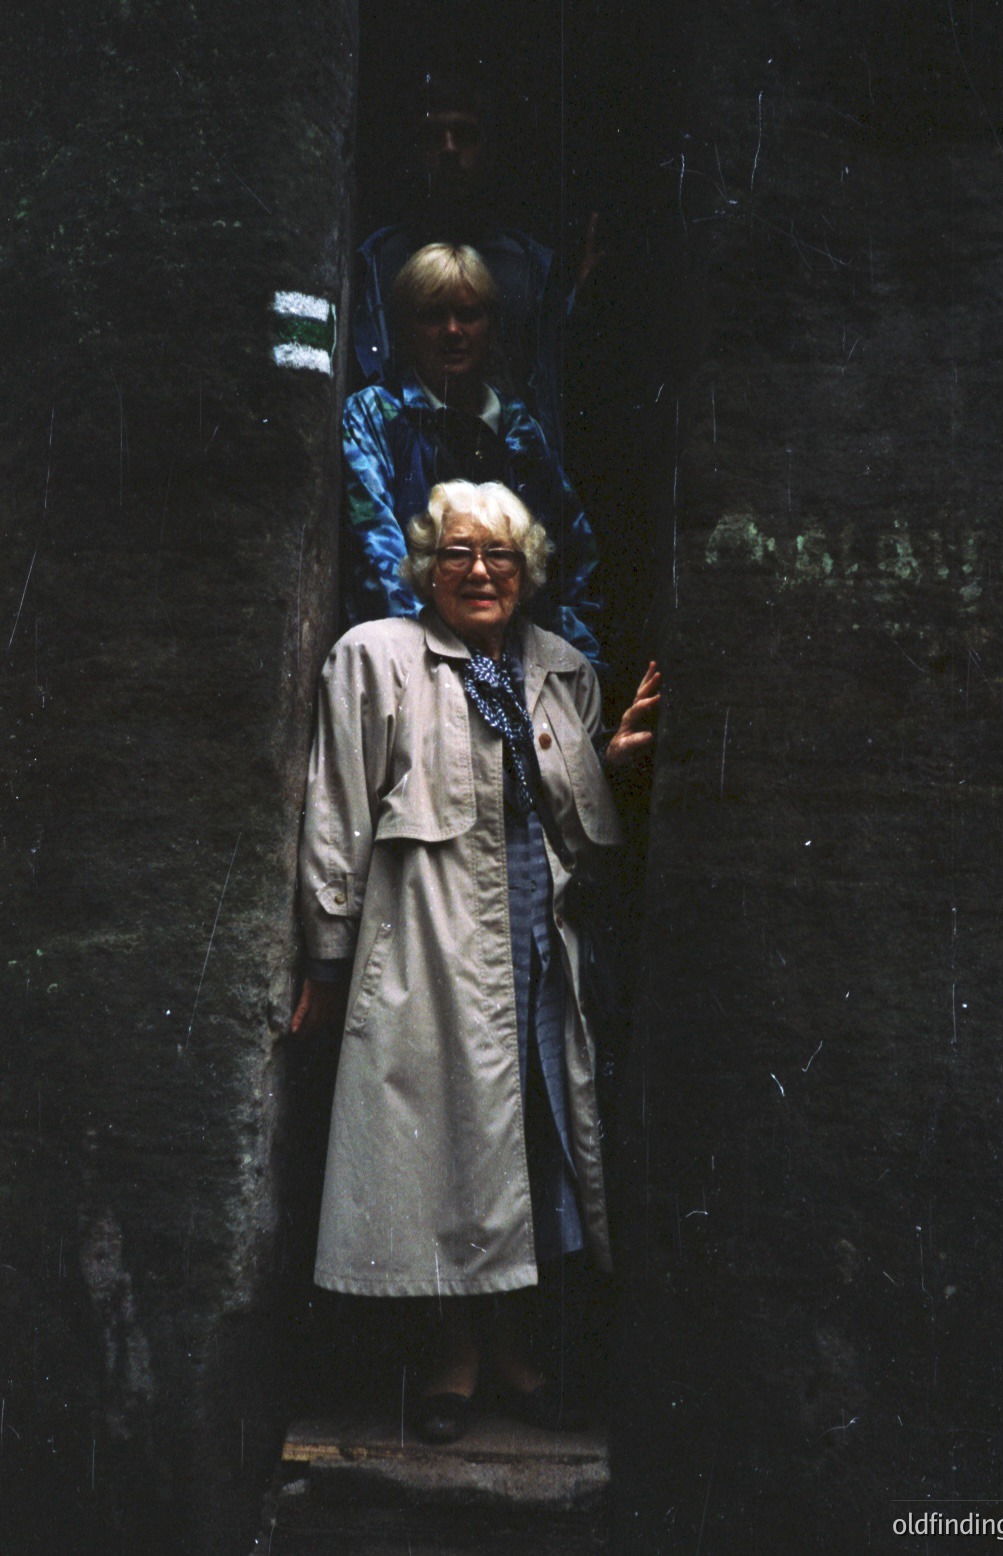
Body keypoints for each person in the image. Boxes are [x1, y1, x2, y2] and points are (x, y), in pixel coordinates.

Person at [292, 479, 660, 1442]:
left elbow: (581, 830)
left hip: (541, 946)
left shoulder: (561, 667)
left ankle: (514, 1352)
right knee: (444, 1146)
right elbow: (337, 815)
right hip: (429, 951)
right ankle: (452, 1359)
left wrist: (604, 763)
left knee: (534, 1144)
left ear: (529, 569)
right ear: (426, 565)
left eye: (500, 555)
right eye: (456, 553)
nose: (480, 572)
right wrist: (328, 961)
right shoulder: (376, 658)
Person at [343, 242, 604, 671]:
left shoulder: (518, 427)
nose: (452, 331)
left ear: (490, 326)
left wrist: (576, 666)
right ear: (406, 327)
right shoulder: (375, 415)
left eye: (468, 315)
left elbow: (573, 556)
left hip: (515, 661)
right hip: (417, 663)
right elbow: (379, 558)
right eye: (432, 316)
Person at [353, 71, 604, 457]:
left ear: (488, 148)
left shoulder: (532, 269)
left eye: (464, 136)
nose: (450, 150)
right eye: (434, 137)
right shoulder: (376, 262)